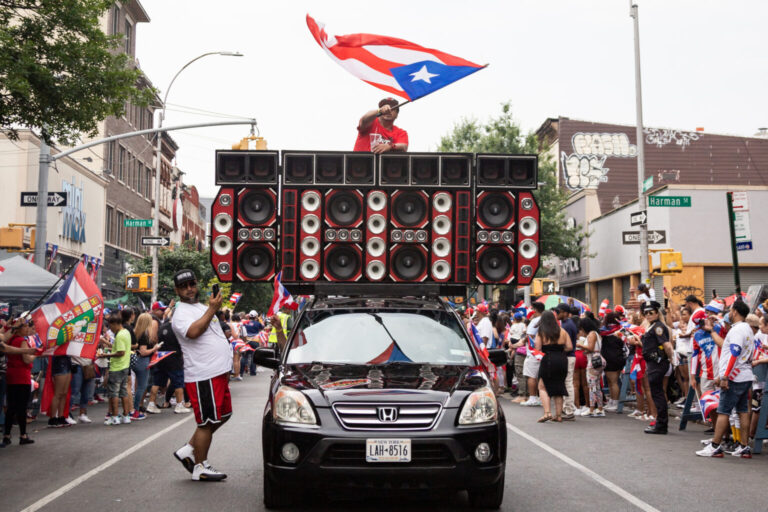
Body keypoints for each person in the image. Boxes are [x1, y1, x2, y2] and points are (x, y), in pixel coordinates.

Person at [170, 269, 233, 481]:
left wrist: (210, 309)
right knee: (206, 422)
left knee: (224, 414)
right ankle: (200, 466)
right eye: (183, 286)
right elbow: (194, 332)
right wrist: (213, 309)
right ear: (177, 290)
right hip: (203, 375)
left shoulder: (201, 307)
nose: (189, 289)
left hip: (218, 373)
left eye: (192, 284)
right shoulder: (180, 313)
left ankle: (189, 449)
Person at [697, 300, 755, 457]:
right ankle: (744, 446)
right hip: (745, 375)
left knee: (723, 411)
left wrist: (725, 376)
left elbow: (734, 353)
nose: (729, 313)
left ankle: (715, 446)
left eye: (730, 310)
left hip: (734, 377)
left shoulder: (737, 330)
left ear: (735, 311)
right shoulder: (747, 328)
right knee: (743, 411)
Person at [640, 301, 674, 434]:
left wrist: (671, 358)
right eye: (646, 313)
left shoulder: (658, 327)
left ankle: (661, 425)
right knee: (656, 393)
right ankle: (660, 423)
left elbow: (667, 345)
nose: (648, 315)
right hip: (653, 363)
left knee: (658, 394)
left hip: (657, 363)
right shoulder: (653, 326)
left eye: (651, 312)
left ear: (657, 313)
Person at [146, 312, 190, 415]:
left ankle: (151, 404)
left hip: (161, 357)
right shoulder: (178, 328)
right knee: (178, 382)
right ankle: (179, 405)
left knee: (156, 382)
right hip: (174, 358)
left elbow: (155, 339)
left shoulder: (162, 326)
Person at [2, 319, 38, 446]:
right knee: (21, 407)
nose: (28, 328)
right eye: (25, 326)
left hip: (11, 374)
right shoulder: (22, 341)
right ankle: (23, 435)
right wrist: (36, 354)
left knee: (11, 407)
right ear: (18, 328)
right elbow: (27, 359)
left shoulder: (9, 340)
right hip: (22, 376)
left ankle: (6, 435)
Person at [535, 311, 572, 422]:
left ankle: (547, 413)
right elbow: (569, 347)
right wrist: (559, 350)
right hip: (562, 359)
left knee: (542, 386)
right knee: (559, 386)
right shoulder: (562, 331)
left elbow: (537, 348)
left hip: (548, 358)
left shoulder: (542, 332)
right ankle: (559, 415)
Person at [100, 313, 132, 425]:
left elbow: (120, 352)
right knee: (123, 392)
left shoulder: (120, 335)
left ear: (115, 324)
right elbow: (119, 349)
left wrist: (105, 355)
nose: (110, 329)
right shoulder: (126, 332)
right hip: (125, 366)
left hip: (117, 367)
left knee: (114, 393)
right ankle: (126, 415)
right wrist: (108, 345)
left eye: (110, 326)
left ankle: (114, 416)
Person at [131, 312, 159, 420]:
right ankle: (136, 410)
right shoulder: (144, 335)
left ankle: (133, 409)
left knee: (137, 386)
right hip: (142, 361)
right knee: (141, 387)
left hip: (135, 360)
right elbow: (143, 352)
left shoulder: (134, 332)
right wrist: (154, 349)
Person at [576, 316, 605, 417]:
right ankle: (600, 408)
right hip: (598, 360)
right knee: (597, 386)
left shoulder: (591, 334)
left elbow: (591, 348)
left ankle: (592, 409)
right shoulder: (596, 334)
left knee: (592, 386)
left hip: (593, 361)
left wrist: (580, 345)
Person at [600, 312, 628, 412]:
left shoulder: (604, 331)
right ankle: (612, 401)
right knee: (613, 381)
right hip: (619, 357)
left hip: (610, 358)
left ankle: (615, 402)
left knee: (613, 382)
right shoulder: (621, 330)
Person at [556, 304, 578, 420]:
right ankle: (566, 408)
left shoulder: (567, 325)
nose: (557, 314)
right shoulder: (566, 324)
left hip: (568, 356)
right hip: (567, 356)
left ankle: (569, 410)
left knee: (568, 382)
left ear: (565, 313)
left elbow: (567, 345)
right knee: (566, 382)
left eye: (559, 311)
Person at [521, 302, 545, 407]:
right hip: (543, 352)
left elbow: (530, 336)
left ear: (535, 309)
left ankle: (532, 398)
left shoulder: (535, 321)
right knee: (540, 376)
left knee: (531, 376)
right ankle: (541, 397)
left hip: (533, 352)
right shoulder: (546, 320)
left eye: (532, 309)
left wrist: (521, 342)